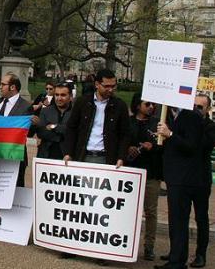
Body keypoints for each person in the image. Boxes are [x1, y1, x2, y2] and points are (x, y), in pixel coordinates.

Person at [62, 68, 130, 265]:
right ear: (97, 84)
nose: (110, 89)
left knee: (101, 206)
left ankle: (100, 250)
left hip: (105, 159)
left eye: (113, 85)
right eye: (106, 86)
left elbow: (126, 133)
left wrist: (121, 157)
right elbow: (72, 128)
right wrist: (68, 152)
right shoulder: (83, 102)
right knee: (78, 205)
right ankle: (72, 246)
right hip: (83, 157)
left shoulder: (119, 105)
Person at [154, 101, 205, 269]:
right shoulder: (166, 114)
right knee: (175, 219)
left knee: (180, 219)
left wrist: (170, 134)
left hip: (186, 177)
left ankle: (177, 262)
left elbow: (191, 145)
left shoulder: (192, 116)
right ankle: (176, 256)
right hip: (173, 176)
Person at [126, 93, 162, 261]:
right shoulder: (128, 122)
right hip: (130, 171)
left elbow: (164, 147)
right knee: (128, 210)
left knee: (151, 211)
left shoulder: (157, 123)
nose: (151, 107)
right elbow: (121, 140)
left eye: (153, 104)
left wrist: (153, 146)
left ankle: (149, 247)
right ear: (138, 105)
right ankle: (125, 243)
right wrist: (128, 149)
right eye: (147, 104)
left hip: (151, 172)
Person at [0, 72, 33, 187]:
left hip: (14, 158)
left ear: (12, 87)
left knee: (14, 194)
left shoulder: (25, 107)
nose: (0, 87)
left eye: (3, 84)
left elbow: (23, 132)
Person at [187, 94, 215, 268]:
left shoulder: (210, 127)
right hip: (183, 177)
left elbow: (203, 145)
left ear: (207, 110)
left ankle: (200, 254)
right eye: (193, 106)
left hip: (201, 180)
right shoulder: (184, 122)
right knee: (179, 216)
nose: (196, 110)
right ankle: (177, 251)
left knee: (201, 218)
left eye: (200, 107)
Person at [35, 82, 72, 160]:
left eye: (63, 95)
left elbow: (73, 132)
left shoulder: (76, 112)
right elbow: (41, 132)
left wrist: (53, 126)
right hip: (46, 155)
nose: (59, 98)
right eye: (57, 95)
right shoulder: (45, 111)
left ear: (70, 96)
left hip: (67, 157)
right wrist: (62, 135)